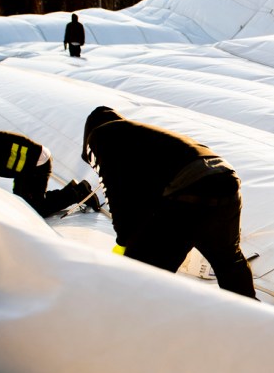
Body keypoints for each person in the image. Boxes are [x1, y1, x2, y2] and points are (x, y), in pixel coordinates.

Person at [81, 106, 258, 300]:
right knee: (229, 261)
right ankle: (255, 319)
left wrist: (124, 243)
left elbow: (116, 192)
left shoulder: (101, 135)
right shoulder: (146, 138)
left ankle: (129, 315)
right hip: (226, 179)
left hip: (189, 186)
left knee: (141, 273)